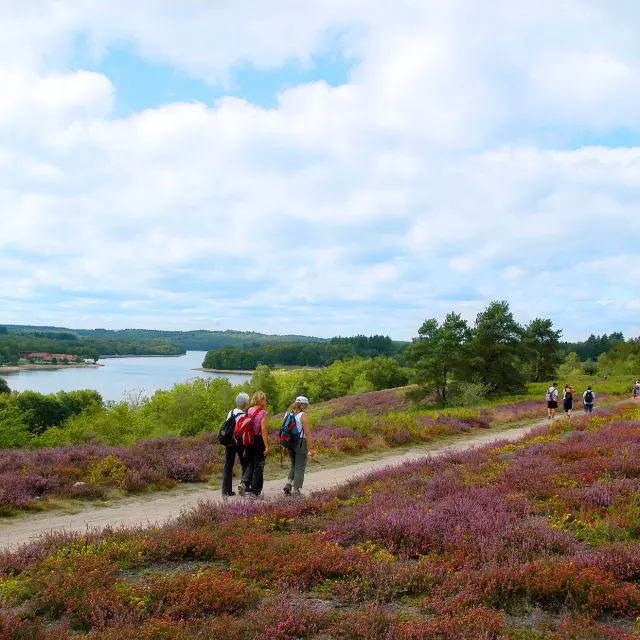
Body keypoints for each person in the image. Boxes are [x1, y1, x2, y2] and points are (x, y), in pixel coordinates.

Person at [238, 391, 270, 497]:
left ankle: (244, 483)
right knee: (258, 465)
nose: (266, 401)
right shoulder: (263, 413)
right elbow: (264, 429)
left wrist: (244, 446)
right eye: (264, 399)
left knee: (250, 463)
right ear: (260, 400)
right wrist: (266, 446)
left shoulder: (249, 410)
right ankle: (255, 490)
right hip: (258, 439)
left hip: (249, 439)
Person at [283, 396, 316, 497]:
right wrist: (311, 448)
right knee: (300, 467)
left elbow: (284, 431)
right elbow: (307, 432)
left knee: (294, 464)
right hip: (301, 443)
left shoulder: (287, 414)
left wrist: (284, 446)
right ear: (304, 405)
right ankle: (296, 491)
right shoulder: (303, 415)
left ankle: (288, 484)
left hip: (289, 442)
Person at [221, 392, 250, 497]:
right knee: (245, 464)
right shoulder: (243, 415)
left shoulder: (231, 412)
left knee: (228, 465)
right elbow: (243, 432)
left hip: (229, 442)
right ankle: (244, 486)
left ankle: (226, 490)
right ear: (244, 404)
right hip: (239, 443)